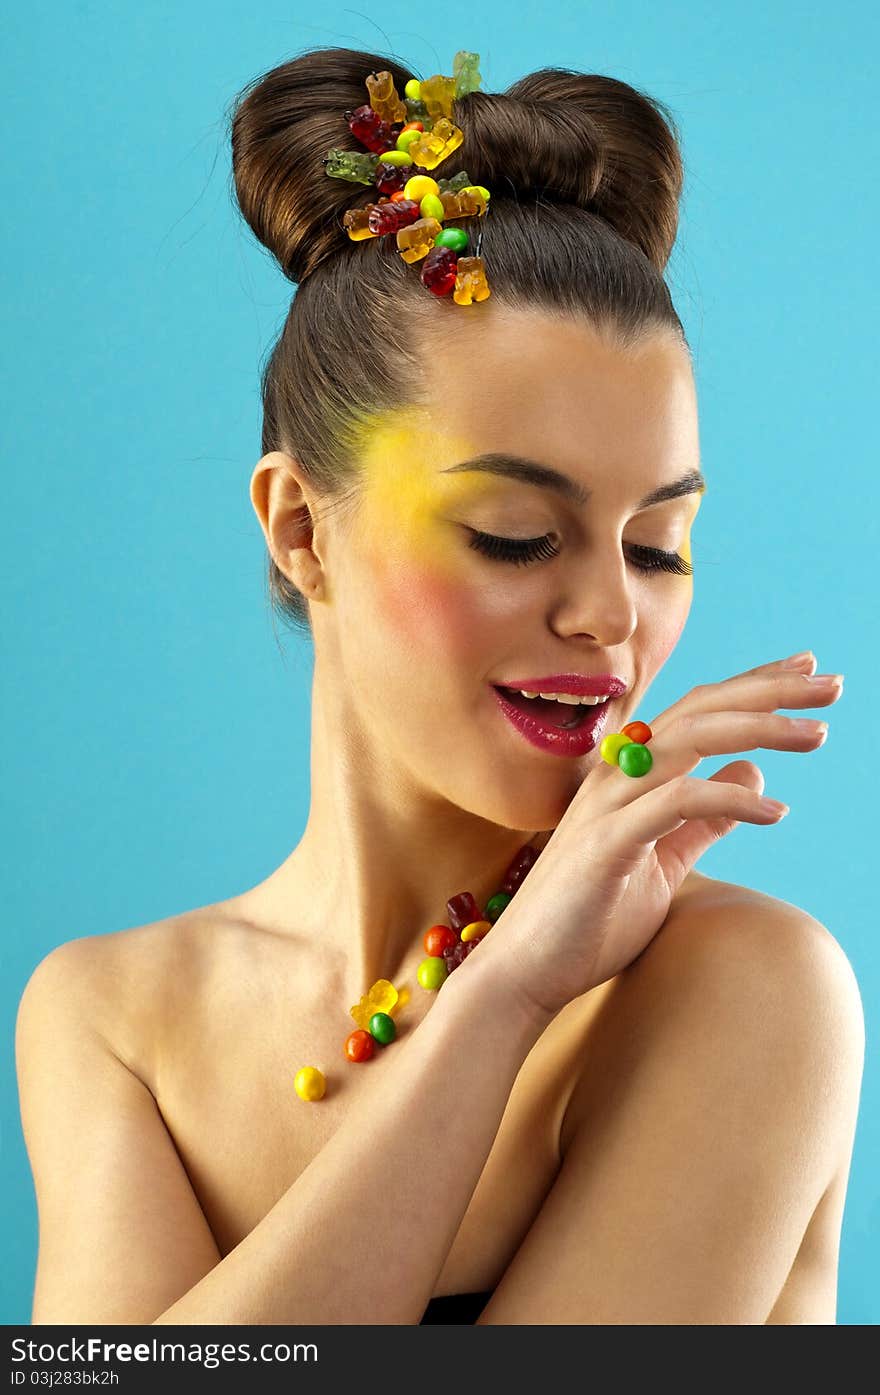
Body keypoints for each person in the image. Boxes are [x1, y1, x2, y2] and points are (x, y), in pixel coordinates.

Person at [15, 46, 863, 1327]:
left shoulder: (743, 985)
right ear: (302, 530)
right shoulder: (114, 1016)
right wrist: (500, 997)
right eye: (515, 535)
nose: (611, 618)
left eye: (656, 545)